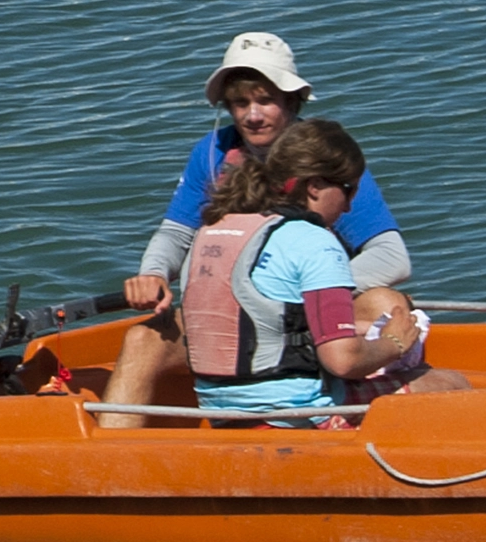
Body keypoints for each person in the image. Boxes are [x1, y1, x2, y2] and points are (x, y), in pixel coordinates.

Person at [108, 32, 407, 412]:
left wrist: (300, 298)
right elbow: (176, 232)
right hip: (232, 317)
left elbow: (392, 257)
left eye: (265, 100)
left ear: (292, 100)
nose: (252, 115)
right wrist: (152, 272)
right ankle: (109, 458)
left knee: (385, 303)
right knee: (142, 339)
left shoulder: (326, 160)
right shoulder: (214, 153)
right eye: (239, 103)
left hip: (307, 310)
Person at [173, 120, 436, 418]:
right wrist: (394, 342)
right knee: (446, 383)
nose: (349, 206)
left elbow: (270, 327)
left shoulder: (213, 230)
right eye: (348, 190)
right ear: (314, 186)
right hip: (297, 413)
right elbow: (343, 362)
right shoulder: (315, 242)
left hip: (220, 409)